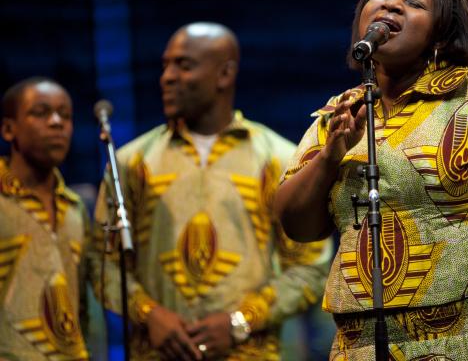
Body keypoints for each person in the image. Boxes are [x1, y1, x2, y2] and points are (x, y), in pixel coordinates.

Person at [273, 0, 468, 360]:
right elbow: (297, 226)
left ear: (440, 33)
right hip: (366, 340)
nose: (391, 4)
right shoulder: (341, 112)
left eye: (413, 2)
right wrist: (329, 158)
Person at [90, 22, 332, 360]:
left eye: (184, 65)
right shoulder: (132, 162)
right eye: (165, 66)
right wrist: (150, 314)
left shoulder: (278, 158)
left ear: (224, 74)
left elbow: (311, 266)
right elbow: (103, 263)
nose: (167, 77)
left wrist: (240, 321)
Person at [0, 77, 90, 360]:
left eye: (65, 115)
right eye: (41, 113)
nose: (56, 122)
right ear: (8, 129)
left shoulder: (76, 208)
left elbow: (86, 310)